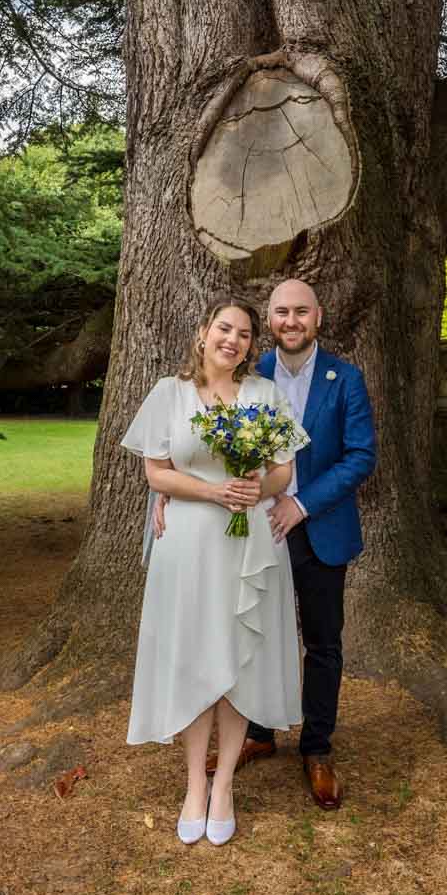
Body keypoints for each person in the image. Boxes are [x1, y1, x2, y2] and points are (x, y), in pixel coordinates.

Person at [160, 279, 376, 810]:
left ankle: (317, 746)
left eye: (301, 312)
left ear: (318, 318)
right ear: (270, 324)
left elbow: (360, 456)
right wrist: (169, 498)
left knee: (322, 642)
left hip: (317, 526)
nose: (291, 321)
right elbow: (191, 451)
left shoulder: (345, 379)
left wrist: (300, 505)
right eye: (281, 312)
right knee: (254, 630)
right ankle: (258, 733)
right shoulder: (250, 379)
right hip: (253, 531)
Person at [120, 298, 308, 846]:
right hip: (188, 547)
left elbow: (284, 468)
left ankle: (224, 783)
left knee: (239, 663)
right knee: (196, 659)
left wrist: (260, 488)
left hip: (248, 546)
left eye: (246, 334)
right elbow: (158, 473)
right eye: (225, 328)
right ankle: (194, 786)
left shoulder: (263, 395)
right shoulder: (168, 394)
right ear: (203, 333)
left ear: (253, 346)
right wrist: (212, 491)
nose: (234, 340)